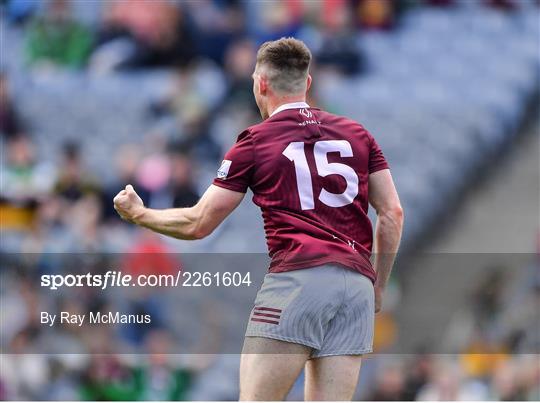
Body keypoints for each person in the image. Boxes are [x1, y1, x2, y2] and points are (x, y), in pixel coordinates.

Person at [113, 37, 403, 401]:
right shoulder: (358, 135)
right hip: (355, 286)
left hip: (298, 276)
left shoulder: (255, 140)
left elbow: (198, 222)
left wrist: (140, 214)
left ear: (261, 84)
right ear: (307, 84)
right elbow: (392, 212)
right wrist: (378, 286)